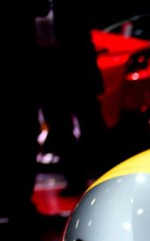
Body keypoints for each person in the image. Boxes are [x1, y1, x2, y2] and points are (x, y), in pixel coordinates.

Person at [37, 0, 110, 196]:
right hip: (48, 73)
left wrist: (93, 77)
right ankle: (75, 179)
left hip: (77, 71)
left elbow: (84, 38)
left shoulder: (70, 6)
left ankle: (106, 173)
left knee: (92, 124)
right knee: (60, 129)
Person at [0, 2, 47, 226]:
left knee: (6, 136)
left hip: (7, 70)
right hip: (16, 69)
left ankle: (5, 202)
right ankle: (16, 204)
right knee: (19, 137)